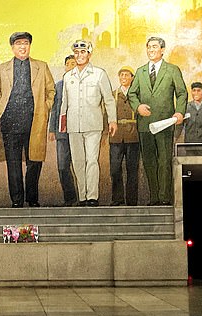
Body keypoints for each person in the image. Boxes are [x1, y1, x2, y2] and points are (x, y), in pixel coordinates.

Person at [0, 32, 55, 208]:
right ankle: (17, 200)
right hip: (10, 123)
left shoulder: (41, 66)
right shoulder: (2, 69)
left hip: (35, 122)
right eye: (18, 43)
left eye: (25, 43)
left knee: (35, 162)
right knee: (13, 163)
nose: (22, 46)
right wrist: (0, 106)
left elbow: (51, 91)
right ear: (12, 47)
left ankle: (32, 199)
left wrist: (45, 107)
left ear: (30, 46)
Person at [128, 36, 187, 206]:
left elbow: (182, 93)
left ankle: (164, 198)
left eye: (154, 47)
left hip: (165, 123)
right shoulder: (140, 71)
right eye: (148, 47)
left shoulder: (172, 70)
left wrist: (179, 112)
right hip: (145, 125)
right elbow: (132, 94)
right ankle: (154, 197)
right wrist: (138, 107)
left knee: (164, 160)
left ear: (162, 50)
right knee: (149, 161)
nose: (151, 50)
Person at [60, 40, 117, 207]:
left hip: (93, 124)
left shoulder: (99, 74)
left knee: (92, 160)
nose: (79, 55)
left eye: (83, 52)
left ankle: (92, 196)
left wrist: (112, 120)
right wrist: (62, 122)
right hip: (73, 125)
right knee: (78, 161)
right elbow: (65, 102)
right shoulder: (68, 76)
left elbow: (108, 100)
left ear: (89, 54)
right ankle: (83, 196)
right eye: (76, 52)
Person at [48, 55, 78, 206]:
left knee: (80, 165)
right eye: (68, 64)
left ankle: (84, 198)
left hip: (80, 132)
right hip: (62, 132)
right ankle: (70, 198)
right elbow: (54, 109)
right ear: (65, 67)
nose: (71, 66)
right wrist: (52, 129)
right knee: (62, 166)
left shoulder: (83, 84)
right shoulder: (58, 86)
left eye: (74, 63)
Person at [109, 66, 140, 206]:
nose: (124, 77)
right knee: (115, 169)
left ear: (132, 77)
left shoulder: (137, 96)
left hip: (133, 137)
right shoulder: (113, 94)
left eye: (127, 75)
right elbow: (106, 114)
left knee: (132, 170)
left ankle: (132, 200)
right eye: (121, 75)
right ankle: (118, 199)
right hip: (116, 137)